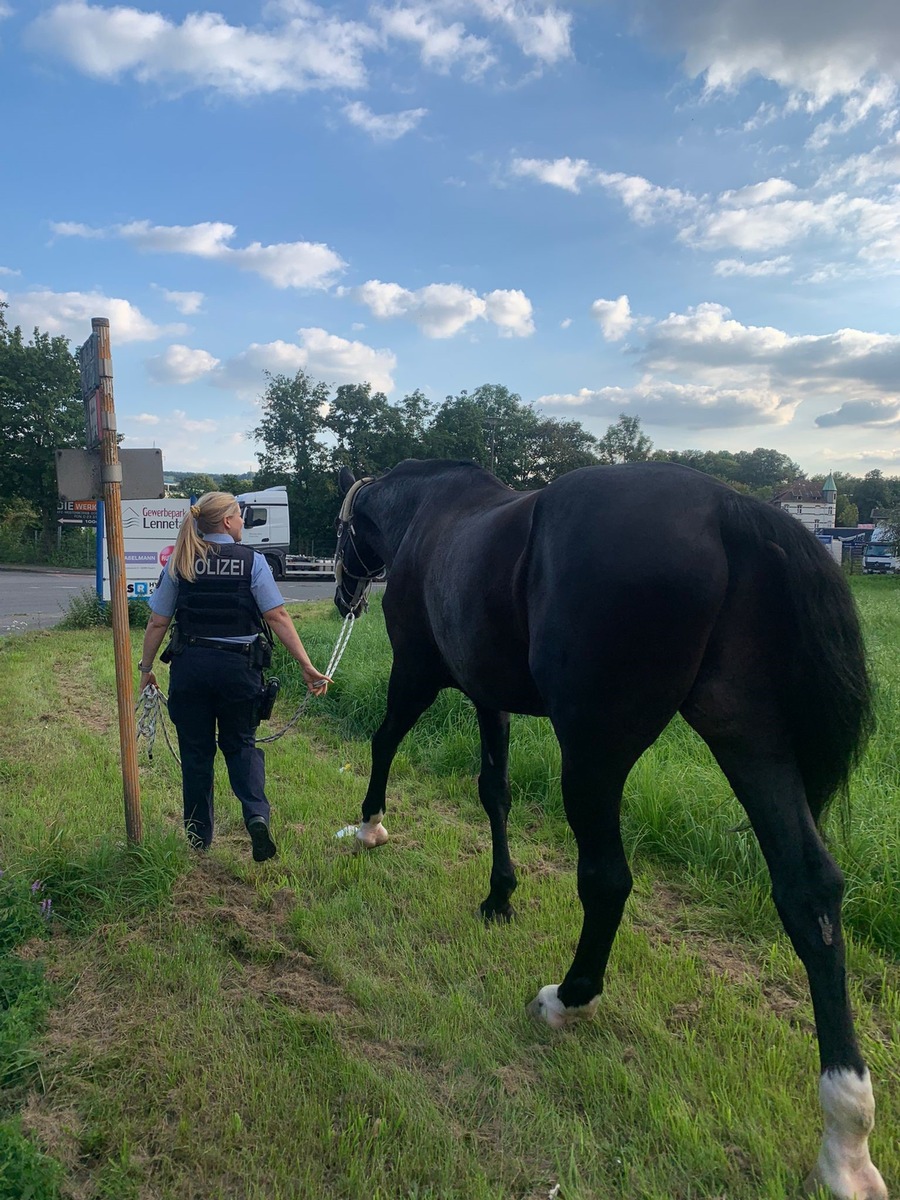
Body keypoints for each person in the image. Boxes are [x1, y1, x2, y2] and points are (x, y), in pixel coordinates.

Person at [137, 491, 331, 861]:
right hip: (238, 670)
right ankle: (256, 816)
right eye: (240, 516)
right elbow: (277, 617)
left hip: (190, 668)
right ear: (227, 521)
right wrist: (307, 665)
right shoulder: (252, 562)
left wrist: (146, 670)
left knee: (196, 755)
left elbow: (158, 621)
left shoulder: (182, 561)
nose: (243, 522)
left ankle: (198, 839)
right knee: (241, 745)